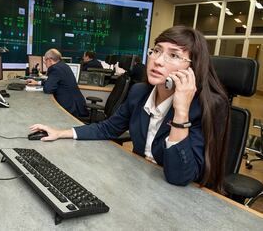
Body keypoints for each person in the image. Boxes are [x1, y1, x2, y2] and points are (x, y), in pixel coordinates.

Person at [29, 26, 230, 193]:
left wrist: (181, 112)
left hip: (181, 198)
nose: (158, 60)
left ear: (192, 68)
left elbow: (180, 177)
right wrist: (61, 133)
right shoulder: (140, 92)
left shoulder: (207, 106)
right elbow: (107, 128)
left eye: (174, 55)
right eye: (157, 50)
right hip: (140, 184)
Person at [26, 49, 89, 118]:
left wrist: (44, 84)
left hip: (69, 107)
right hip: (77, 104)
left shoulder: (55, 69)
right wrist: (37, 82)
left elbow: (48, 89)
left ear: (49, 60)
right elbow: (56, 82)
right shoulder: (64, 65)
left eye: (45, 61)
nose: (45, 64)